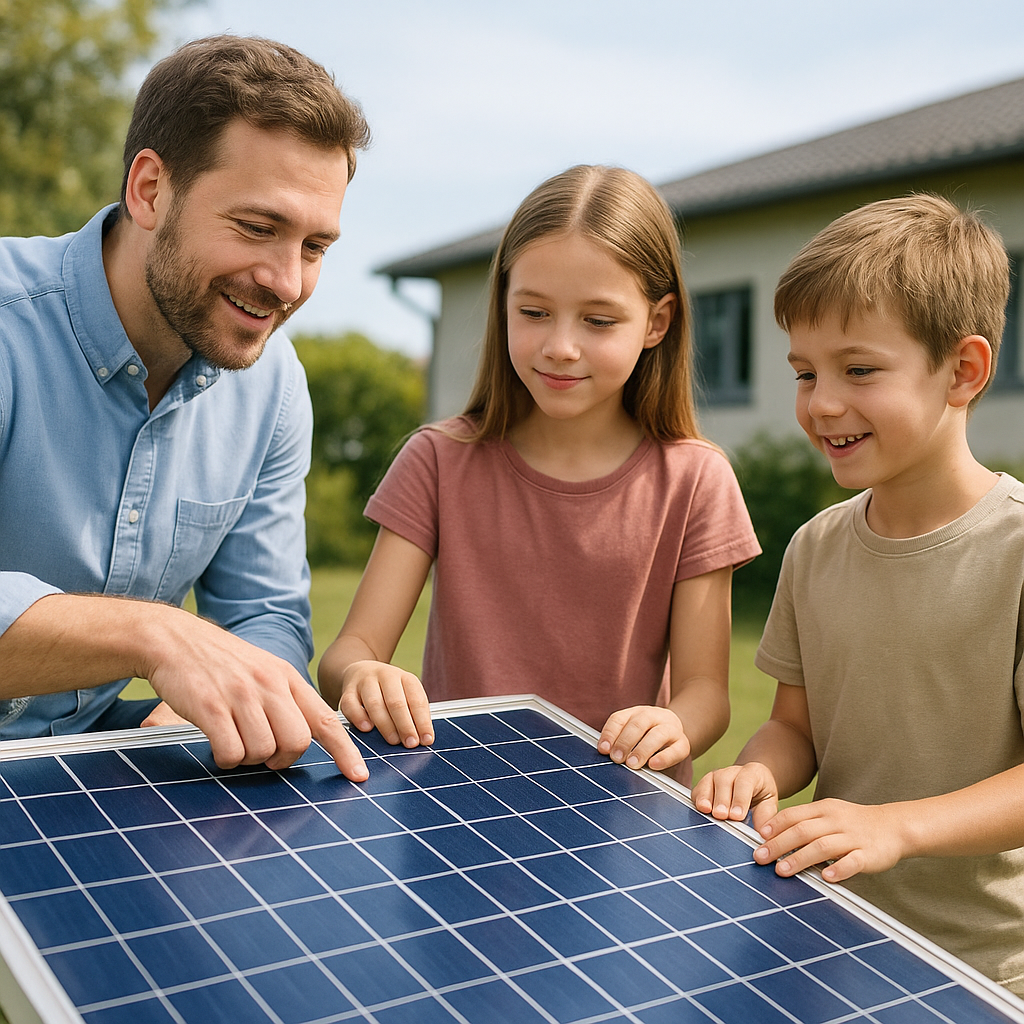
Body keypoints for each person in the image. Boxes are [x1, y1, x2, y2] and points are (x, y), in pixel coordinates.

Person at [0, 35, 371, 781]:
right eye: (258, 228)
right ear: (149, 190)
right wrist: (153, 636)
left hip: (72, 767)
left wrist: (211, 697)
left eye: (315, 246)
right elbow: (171, 639)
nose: (288, 282)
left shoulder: (272, 388)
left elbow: (265, 617)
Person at [318, 164, 760, 782]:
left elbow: (706, 693)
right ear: (503, 305)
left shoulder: (695, 482)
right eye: (534, 312)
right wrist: (362, 675)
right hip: (456, 801)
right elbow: (350, 651)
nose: (560, 346)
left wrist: (675, 725)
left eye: (599, 321)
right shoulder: (437, 460)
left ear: (657, 323)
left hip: (622, 820)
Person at [691, 194, 1024, 995]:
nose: (822, 403)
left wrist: (896, 827)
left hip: (977, 972)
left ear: (964, 372)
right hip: (828, 930)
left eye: (859, 370)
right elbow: (795, 728)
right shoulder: (815, 547)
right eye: (805, 373)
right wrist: (758, 771)